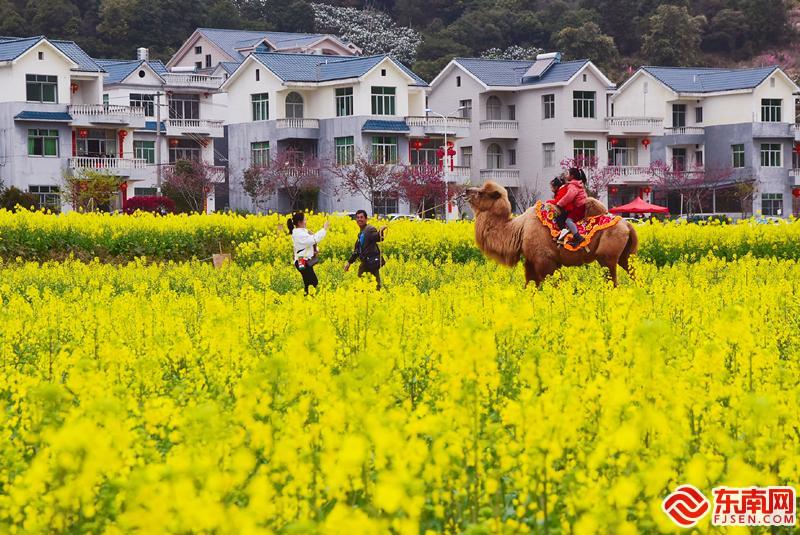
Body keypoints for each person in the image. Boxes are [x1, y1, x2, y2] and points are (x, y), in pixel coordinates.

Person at [288, 212, 329, 295]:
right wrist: (324, 229)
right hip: (301, 261)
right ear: (300, 222)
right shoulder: (299, 234)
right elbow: (313, 239)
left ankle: (307, 300)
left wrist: (315, 249)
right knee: (313, 282)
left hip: (302, 261)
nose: (306, 221)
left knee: (308, 283)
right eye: (305, 219)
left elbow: (309, 243)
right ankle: (309, 300)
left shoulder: (301, 232)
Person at [344, 209, 387, 289]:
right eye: (358, 217)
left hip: (371, 262)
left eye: (361, 217)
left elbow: (378, 238)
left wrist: (380, 231)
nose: (359, 219)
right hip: (366, 263)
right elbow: (357, 250)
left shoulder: (369, 229)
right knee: (365, 285)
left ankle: (379, 298)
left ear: (366, 219)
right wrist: (349, 262)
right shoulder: (361, 233)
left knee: (374, 285)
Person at [555, 168, 588, 247]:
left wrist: (560, 203)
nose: (566, 176)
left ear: (572, 176)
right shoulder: (578, 183)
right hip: (581, 205)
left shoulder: (572, 185)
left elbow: (569, 196)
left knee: (568, 221)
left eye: (568, 174)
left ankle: (578, 237)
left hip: (579, 206)